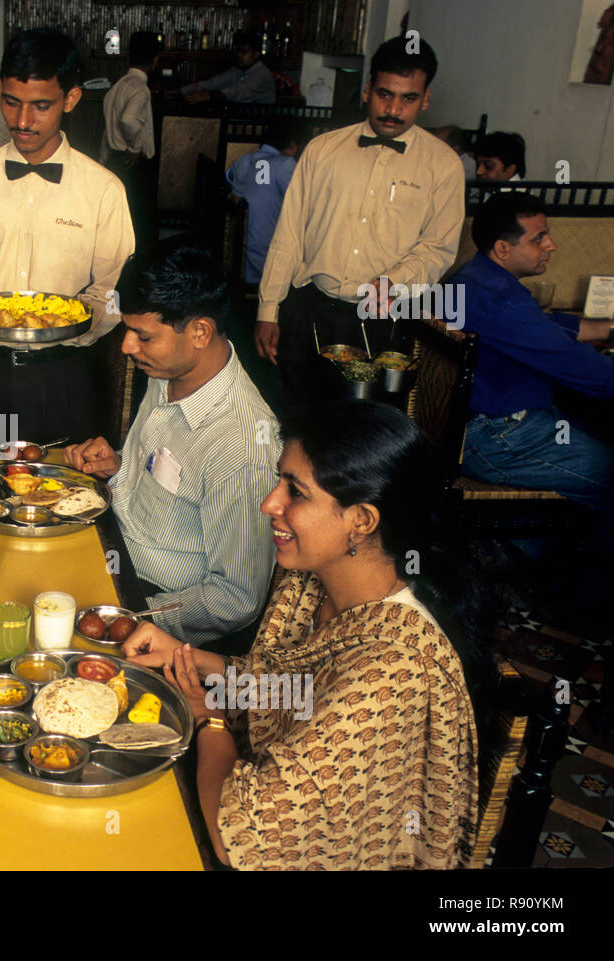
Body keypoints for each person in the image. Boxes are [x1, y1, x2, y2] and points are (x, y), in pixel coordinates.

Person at [124, 400, 488, 869]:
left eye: (295, 492)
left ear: (362, 521)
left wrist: (207, 717)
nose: (269, 503)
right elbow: (287, 688)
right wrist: (189, 656)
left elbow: (238, 839)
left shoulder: (394, 674)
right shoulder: (311, 583)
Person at [65, 246, 279, 644]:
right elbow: (159, 474)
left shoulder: (242, 448)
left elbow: (236, 597)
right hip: (108, 541)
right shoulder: (168, 371)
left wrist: (136, 619)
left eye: (143, 335)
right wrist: (119, 466)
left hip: (149, 601)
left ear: (200, 332)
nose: (128, 346)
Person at [0, 28, 135, 443]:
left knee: (63, 500)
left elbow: (114, 291)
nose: (22, 121)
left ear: (71, 99)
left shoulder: (103, 190)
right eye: (11, 102)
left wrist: (72, 320)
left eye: (41, 106)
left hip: (63, 376)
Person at [253, 35, 463, 410]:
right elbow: (289, 234)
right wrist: (268, 310)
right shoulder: (322, 150)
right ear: (368, 90)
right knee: (295, 416)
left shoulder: (444, 165)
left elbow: (438, 249)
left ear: (426, 99)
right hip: (308, 309)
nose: (393, 109)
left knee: (362, 429)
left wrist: (394, 281)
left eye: (408, 98)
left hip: (382, 320)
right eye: (385, 94)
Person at [447, 193, 614, 509]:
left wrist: (607, 329)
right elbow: (578, 366)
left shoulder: (473, 279)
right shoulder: (503, 302)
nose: (552, 245)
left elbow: (542, 328)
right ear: (503, 249)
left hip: (477, 427)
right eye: (539, 239)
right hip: (499, 438)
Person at [226, 117, 308, 284]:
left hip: (235, 257)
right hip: (266, 262)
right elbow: (307, 202)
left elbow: (230, 180)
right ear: (293, 146)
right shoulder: (285, 164)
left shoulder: (243, 160)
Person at [101, 31, 160, 251]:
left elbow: (108, 129)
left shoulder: (117, 87)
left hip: (115, 160)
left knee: (119, 226)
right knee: (139, 225)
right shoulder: (140, 89)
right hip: (133, 164)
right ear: (155, 60)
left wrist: (103, 158)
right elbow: (128, 120)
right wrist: (135, 148)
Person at [181, 32, 276, 105]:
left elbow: (237, 92)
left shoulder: (263, 75)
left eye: (244, 52)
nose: (239, 55)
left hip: (258, 126)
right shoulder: (237, 71)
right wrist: (181, 91)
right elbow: (212, 83)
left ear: (256, 55)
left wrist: (209, 95)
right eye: (238, 51)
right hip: (240, 123)